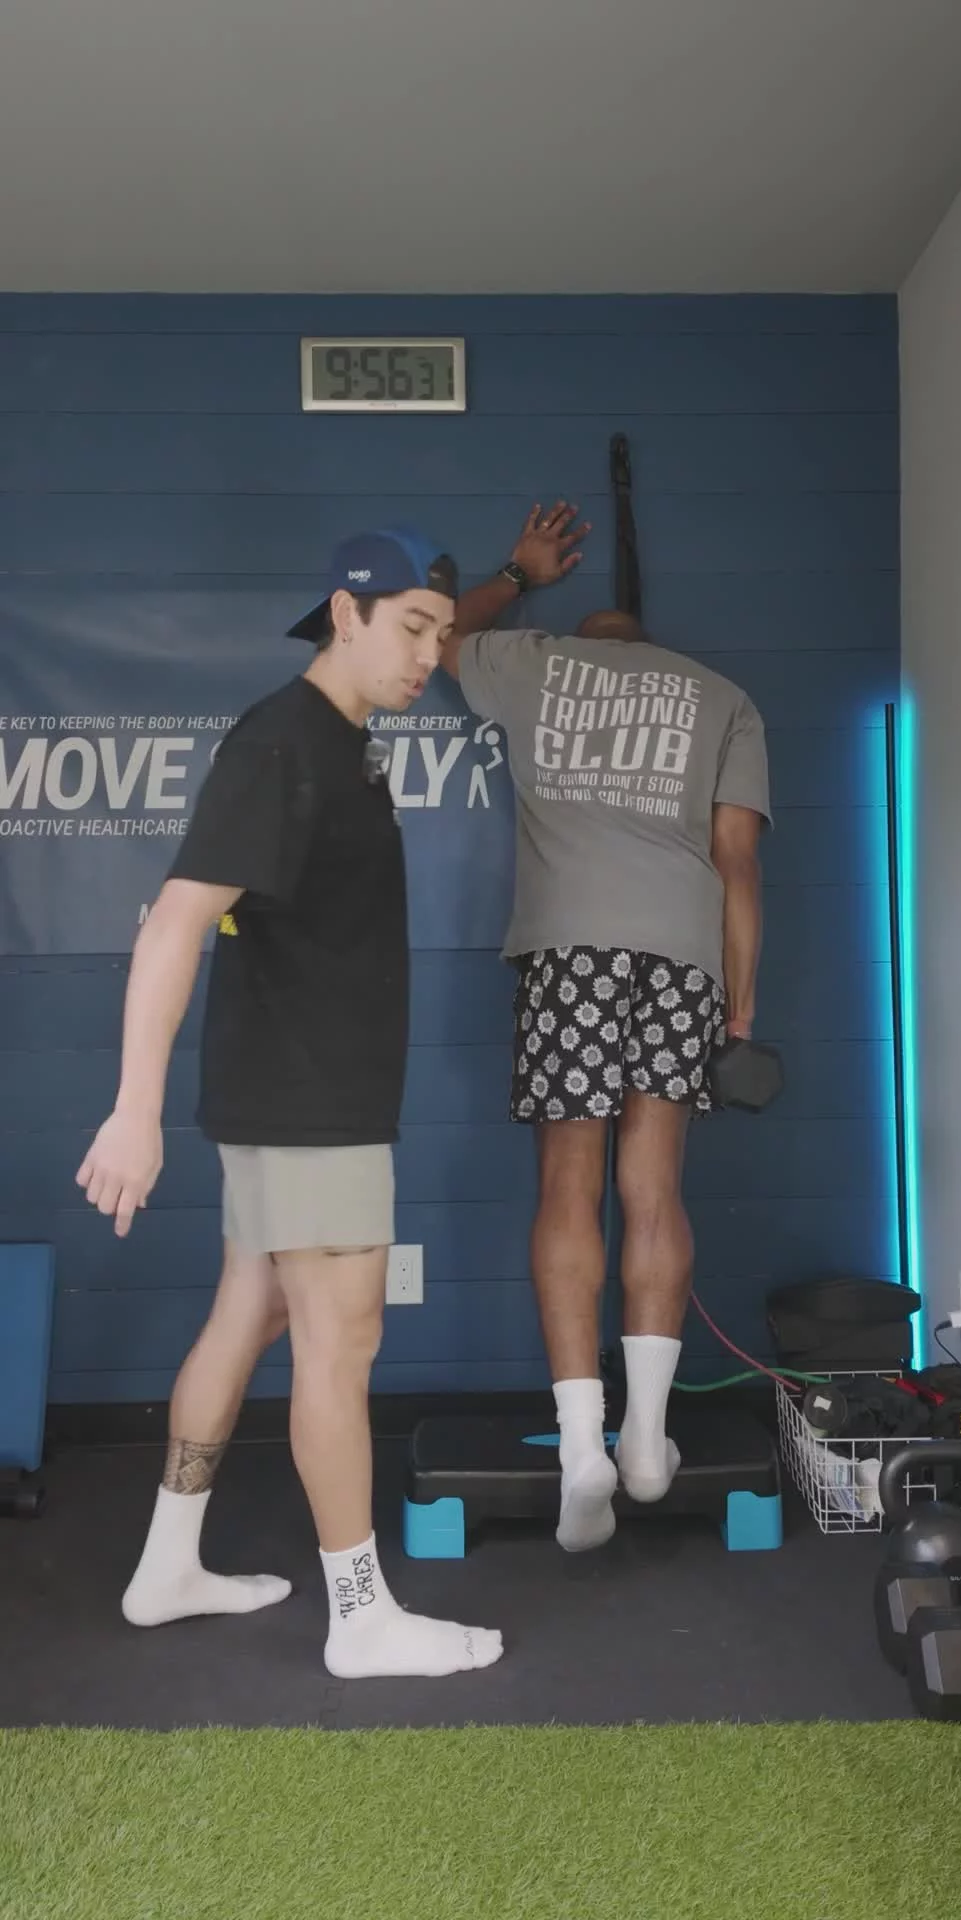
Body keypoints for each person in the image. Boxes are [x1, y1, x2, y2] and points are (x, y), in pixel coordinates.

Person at [76, 529, 503, 1680]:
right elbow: (174, 920)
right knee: (340, 1342)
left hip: (292, 1092)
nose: (429, 655)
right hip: (312, 1103)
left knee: (251, 1312)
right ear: (345, 613)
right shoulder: (285, 741)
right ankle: (360, 1616)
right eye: (411, 627)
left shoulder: (338, 744)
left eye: (442, 634)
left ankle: (168, 1565)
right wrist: (133, 1109)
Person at [443, 503, 771, 1553]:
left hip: (569, 950)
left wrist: (516, 573)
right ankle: (648, 1439)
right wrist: (739, 1002)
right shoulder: (722, 698)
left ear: (587, 636)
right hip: (682, 954)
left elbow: (436, 632)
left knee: (567, 1186)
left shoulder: (529, 662)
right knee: (653, 1189)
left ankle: (584, 1444)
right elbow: (738, 866)